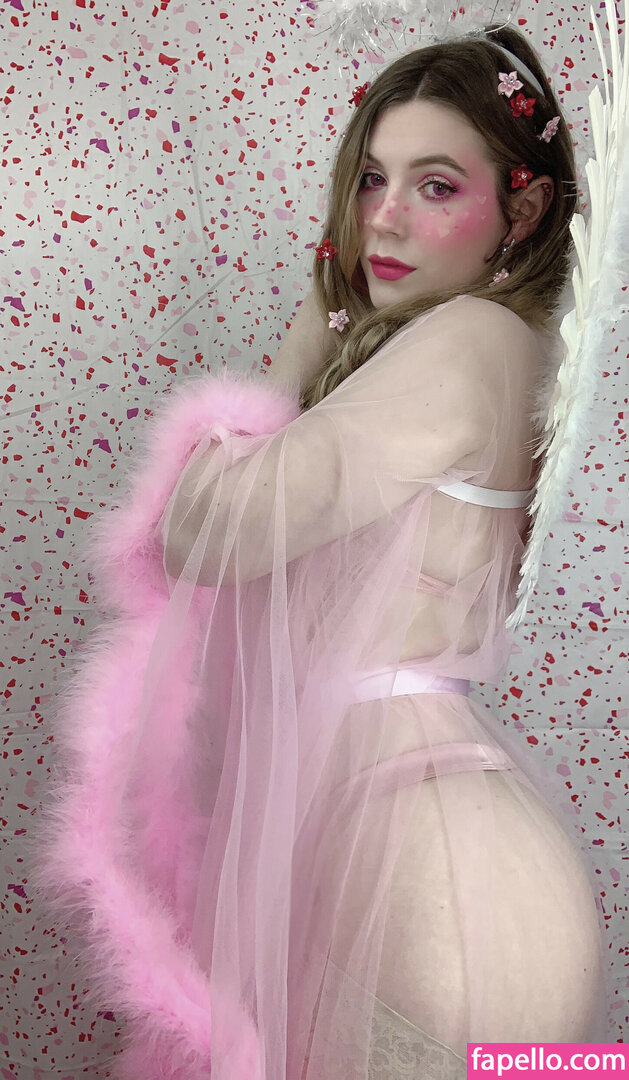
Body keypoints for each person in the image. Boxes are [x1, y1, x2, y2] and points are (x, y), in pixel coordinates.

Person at [35, 22, 608, 1080]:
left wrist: (311, 324)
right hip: (459, 863)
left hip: (420, 880)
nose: (382, 216)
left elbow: (209, 530)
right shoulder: (493, 352)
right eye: (372, 179)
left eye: (436, 185)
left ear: (521, 209)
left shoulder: (466, 339)